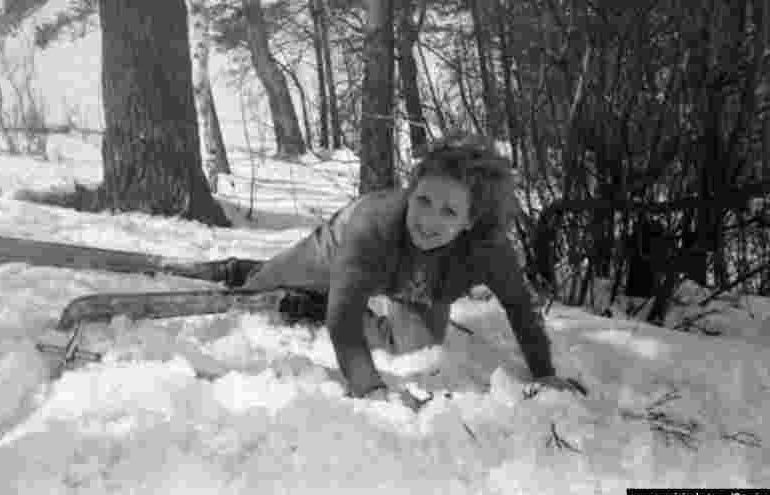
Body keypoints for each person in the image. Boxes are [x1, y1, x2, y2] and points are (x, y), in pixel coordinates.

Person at [242, 134, 583, 408]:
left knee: (417, 350)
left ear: (470, 220)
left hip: (417, 286)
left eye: (449, 212)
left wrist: (544, 372)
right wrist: (369, 387)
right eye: (423, 201)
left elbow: (521, 307)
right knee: (257, 287)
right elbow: (344, 318)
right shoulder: (373, 225)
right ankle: (240, 269)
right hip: (345, 247)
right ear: (411, 192)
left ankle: (312, 304)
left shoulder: (489, 249)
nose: (428, 220)